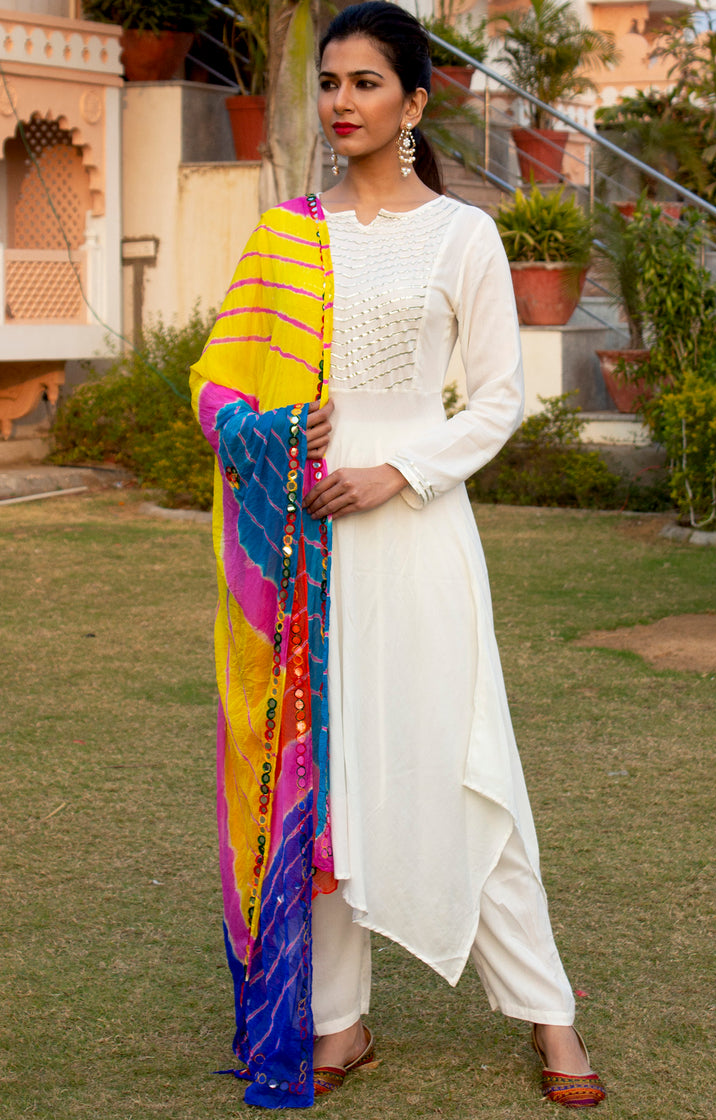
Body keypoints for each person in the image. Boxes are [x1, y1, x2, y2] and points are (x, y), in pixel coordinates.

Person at [190, 1, 606, 1111]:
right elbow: (220, 375)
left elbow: (499, 397)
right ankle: (338, 1018)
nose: (341, 104)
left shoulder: (461, 234)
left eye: (366, 83)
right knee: (319, 775)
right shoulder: (289, 232)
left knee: (469, 764)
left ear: (415, 101)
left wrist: (396, 470)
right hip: (308, 541)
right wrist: (277, 434)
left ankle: (547, 1013)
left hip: (417, 529)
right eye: (329, 83)